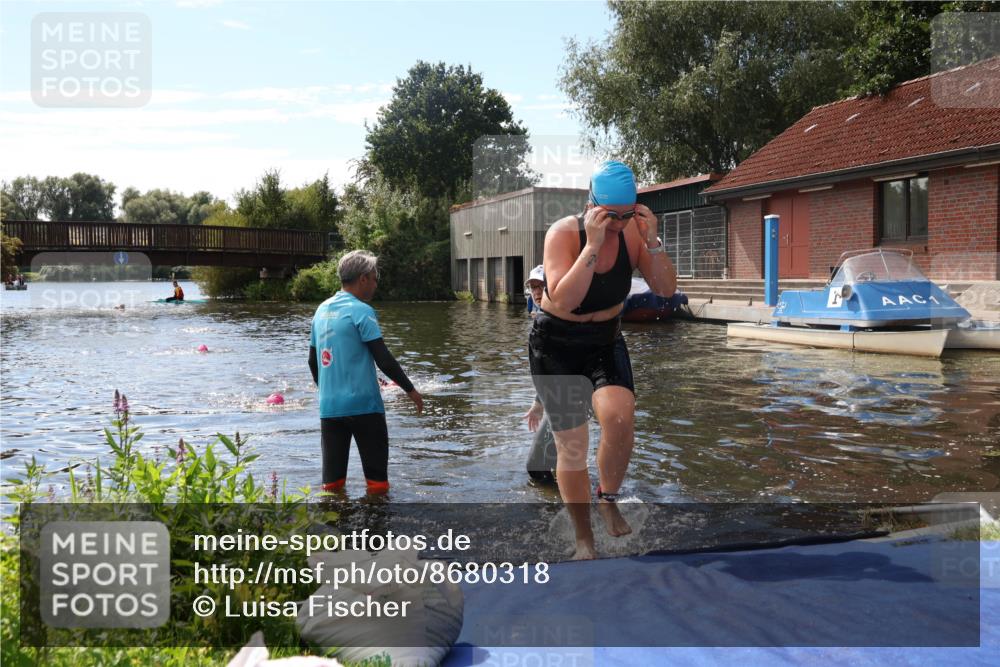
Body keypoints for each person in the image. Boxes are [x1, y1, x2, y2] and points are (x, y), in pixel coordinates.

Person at [529, 160, 677, 560]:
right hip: (556, 344)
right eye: (610, 215)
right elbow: (561, 299)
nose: (617, 223)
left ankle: (607, 498)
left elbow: (665, 289)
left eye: (626, 214)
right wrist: (592, 247)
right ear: (591, 204)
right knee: (572, 446)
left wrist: (652, 243)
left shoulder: (633, 234)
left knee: (619, 416)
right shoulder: (564, 233)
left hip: (604, 340)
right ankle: (584, 541)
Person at [308, 250, 423, 495]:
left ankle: (332, 530)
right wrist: (411, 391)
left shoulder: (320, 311)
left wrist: (327, 391)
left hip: (330, 408)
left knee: (332, 485)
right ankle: (375, 531)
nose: (375, 283)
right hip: (365, 408)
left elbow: (312, 361)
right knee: (377, 484)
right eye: (374, 277)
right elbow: (384, 359)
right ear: (362, 279)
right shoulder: (361, 311)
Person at [522, 265, 557, 483]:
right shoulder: (542, 319)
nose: (536, 291)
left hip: (569, 398)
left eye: (541, 286)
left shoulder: (554, 320)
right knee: (550, 463)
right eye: (533, 287)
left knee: (537, 467)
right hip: (559, 398)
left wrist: (539, 402)